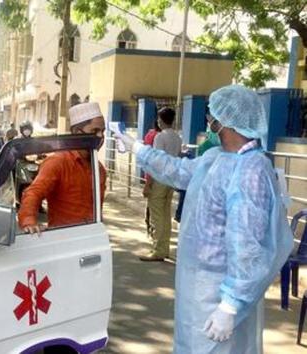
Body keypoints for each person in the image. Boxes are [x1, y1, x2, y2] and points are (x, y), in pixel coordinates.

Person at [114, 84, 294, 353]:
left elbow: (248, 245)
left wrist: (230, 305)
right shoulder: (216, 158)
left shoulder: (250, 172)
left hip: (221, 291)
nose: (208, 120)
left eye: (211, 115)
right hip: (198, 286)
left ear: (225, 122)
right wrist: (137, 148)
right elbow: (178, 170)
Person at [18, 102, 107, 234]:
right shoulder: (57, 162)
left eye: (102, 131)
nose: (100, 137)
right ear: (77, 132)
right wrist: (29, 222)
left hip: (92, 239)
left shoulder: (99, 168)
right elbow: (33, 193)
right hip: (63, 241)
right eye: (94, 131)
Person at [140, 107, 182, 262]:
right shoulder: (177, 138)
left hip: (159, 178)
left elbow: (155, 161)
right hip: (171, 179)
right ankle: (164, 249)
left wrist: (148, 183)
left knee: (157, 216)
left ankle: (158, 249)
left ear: (161, 120)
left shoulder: (160, 137)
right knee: (165, 215)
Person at [142, 120, 161, 235]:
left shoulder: (150, 135)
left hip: (152, 173)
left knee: (151, 203)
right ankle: (152, 227)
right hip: (162, 175)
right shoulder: (158, 136)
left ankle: (149, 225)